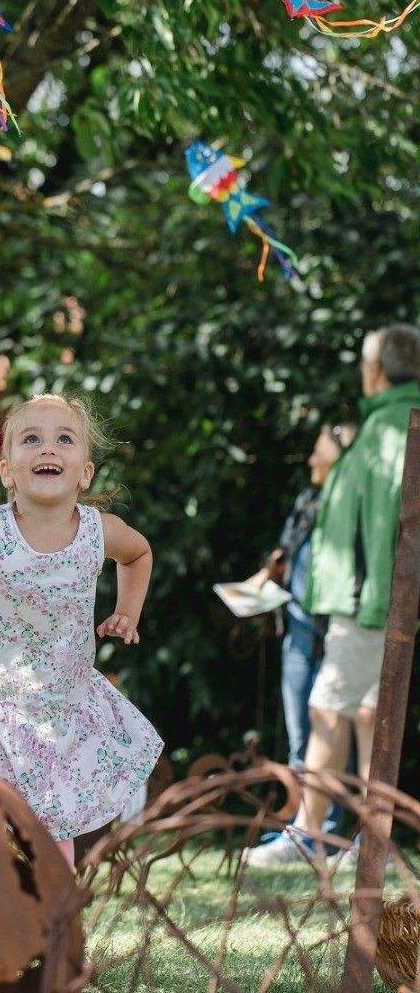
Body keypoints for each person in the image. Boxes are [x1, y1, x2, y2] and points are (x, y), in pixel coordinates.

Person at [0, 392, 163, 869]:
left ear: (85, 472)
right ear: (7, 471)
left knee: (51, 826)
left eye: (64, 439)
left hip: (62, 707)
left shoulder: (98, 532)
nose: (48, 448)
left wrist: (128, 611)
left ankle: (54, 918)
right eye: (31, 439)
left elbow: (139, 553)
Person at [244, 324, 420, 867]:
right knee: (369, 714)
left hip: (370, 600)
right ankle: (376, 840)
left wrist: (388, 598)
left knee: (327, 707)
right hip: (377, 598)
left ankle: (309, 833)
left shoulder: (394, 425)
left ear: (376, 369)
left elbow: (400, 521)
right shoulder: (391, 423)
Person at [250, 423, 357, 772]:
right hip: (298, 632)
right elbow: (285, 550)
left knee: (332, 730)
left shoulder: (354, 506)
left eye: (319, 451)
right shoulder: (308, 499)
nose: (311, 459)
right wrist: (259, 583)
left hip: (335, 637)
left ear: (342, 457)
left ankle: (334, 821)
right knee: (300, 735)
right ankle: (301, 820)